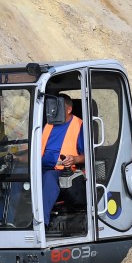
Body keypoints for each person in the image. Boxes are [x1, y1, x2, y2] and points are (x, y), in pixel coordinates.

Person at [40, 95, 85, 225]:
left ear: (69, 109)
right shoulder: (48, 124)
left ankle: (41, 223)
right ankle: (5, 221)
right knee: (18, 173)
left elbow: (88, 155)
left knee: (48, 177)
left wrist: (75, 159)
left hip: (63, 170)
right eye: (52, 106)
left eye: (57, 107)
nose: (53, 110)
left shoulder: (78, 125)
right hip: (40, 165)